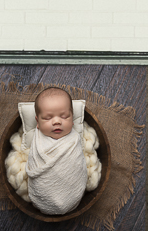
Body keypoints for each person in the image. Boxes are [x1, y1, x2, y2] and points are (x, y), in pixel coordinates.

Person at [6, 86, 102, 216]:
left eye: (64, 116)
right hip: (43, 192)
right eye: (47, 118)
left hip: (72, 192)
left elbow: (78, 164)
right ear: (37, 122)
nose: (57, 121)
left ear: (72, 119)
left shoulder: (74, 139)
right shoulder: (37, 140)